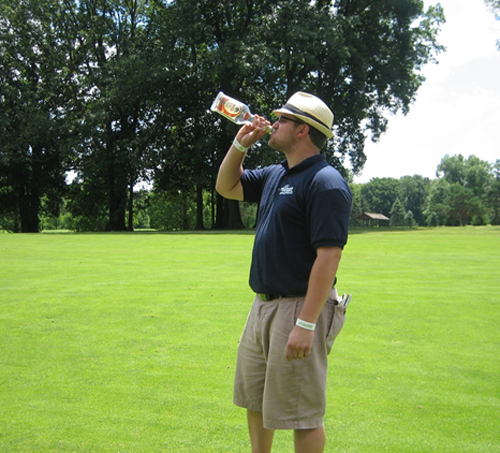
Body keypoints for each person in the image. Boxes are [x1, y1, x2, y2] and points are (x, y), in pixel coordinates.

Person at [215, 92, 352, 453]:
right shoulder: (276, 174)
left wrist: (306, 325)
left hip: (299, 308)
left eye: (282, 120)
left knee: (300, 413)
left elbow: (329, 257)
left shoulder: (325, 182)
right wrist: (238, 144)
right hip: (262, 305)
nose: (273, 124)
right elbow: (226, 186)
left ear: (303, 130)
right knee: (256, 401)